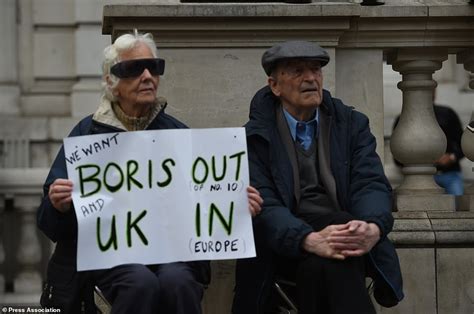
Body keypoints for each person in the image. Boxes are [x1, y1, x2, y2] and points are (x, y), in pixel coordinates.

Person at [37, 31, 263, 314]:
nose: (147, 76)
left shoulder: (177, 134)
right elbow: (49, 225)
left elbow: (207, 204)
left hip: (173, 256)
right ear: (111, 82)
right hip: (111, 259)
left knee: (178, 282)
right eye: (133, 69)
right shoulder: (86, 137)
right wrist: (58, 206)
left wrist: (238, 208)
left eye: (154, 67)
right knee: (138, 283)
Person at [232, 41, 404, 314]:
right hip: (283, 247)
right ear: (275, 86)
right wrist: (308, 239)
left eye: (316, 70)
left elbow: (370, 183)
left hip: (348, 239)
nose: (311, 78)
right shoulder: (253, 137)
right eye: (298, 71)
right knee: (339, 238)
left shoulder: (351, 125)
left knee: (328, 259)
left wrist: (372, 226)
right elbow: (267, 206)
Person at [393, 101, 465, 196]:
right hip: (417, 177)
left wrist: (451, 157)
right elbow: (397, 156)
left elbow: (463, 145)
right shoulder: (402, 119)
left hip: (449, 173)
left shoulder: (447, 113)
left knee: (459, 202)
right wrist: (418, 161)